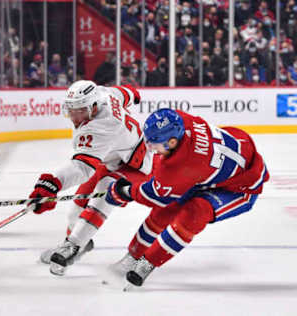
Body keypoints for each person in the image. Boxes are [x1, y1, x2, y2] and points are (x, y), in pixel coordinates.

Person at [106, 108, 269, 288]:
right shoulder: (180, 120)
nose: (150, 147)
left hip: (240, 188)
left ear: (173, 142)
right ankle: (132, 257)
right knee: (166, 210)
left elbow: (155, 196)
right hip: (217, 168)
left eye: (154, 143)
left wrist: (124, 192)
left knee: (195, 212)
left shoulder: (184, 166)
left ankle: (147, 263)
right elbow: (163, 182)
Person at [26, 80, 154, 275]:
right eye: (72, 110)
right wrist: (134, 94)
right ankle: (80, 243)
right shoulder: (104, 94)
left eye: (80, 111)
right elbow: (126, 93)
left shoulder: (102, 126)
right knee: (75, 210)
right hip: (113, 158)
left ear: (93, 106)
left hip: (134, 165)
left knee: (103, 193)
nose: (75, 116)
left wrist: (52, 184)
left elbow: (82, 168)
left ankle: (73, 246)